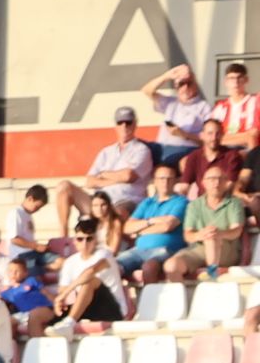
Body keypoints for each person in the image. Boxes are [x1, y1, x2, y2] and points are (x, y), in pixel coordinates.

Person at [55, 107, 155, 252]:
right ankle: (62, 238)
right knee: (64, 187)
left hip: (126, 201)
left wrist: (103, 174)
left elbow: (128, 176)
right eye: (120, 122)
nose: (124, 126)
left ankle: (110, 252)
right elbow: (89, 181)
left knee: (117, 212)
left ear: (135, 124)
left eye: (128, 122)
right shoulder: (106, 152)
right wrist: (116, 177)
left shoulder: (142, 150)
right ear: (115, 125)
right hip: (99, 200)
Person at [177, 161, 250, 277]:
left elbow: (236, 231)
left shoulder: (234, 203)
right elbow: (188, 235)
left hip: (227, 250)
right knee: (172, 266)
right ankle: (181, 294)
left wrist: (218, 234)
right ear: (203, 183)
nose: (216, 183)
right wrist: (201, 235)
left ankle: (211, 277)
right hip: (199, 249)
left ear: (226, 183)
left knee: (212, 238)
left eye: (220, 179)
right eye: (211, 179)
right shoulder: (194, 205)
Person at [53, 217, 128, 324]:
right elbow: (62, 288)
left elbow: (90, 272)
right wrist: (61, 301)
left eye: (89, 239)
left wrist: (64, 294)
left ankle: (69, 322)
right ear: (74, 241)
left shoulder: (105, 255)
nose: (84, 243)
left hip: (111, 308)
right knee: (39, 315)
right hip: (87, 308)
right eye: (80, 239)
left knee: (90, 282)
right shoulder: (70, 262)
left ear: (95, 240)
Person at [143, 63, 212, 168]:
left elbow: (209, 140)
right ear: (176, 87)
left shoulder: (204, 107)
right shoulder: (170, 102)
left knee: (180, 162)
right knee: (138, 148)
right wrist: (167, 76)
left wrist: (184, 134)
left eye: (189, 83)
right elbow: (147, 91)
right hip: (161, 147)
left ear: (195, 84)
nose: (185, 87)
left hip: (185, 149)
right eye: (181, 84)